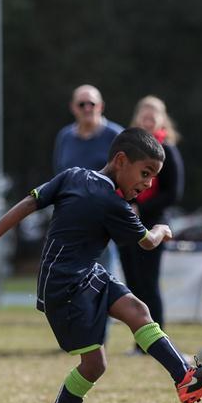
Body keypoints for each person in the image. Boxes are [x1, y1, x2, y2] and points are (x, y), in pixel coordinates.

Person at [0, 128, 202, 403]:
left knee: (136, 309)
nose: (147, 185)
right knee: (94, 365)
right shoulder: (113, 205)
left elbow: (28, 203)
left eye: (153, 178)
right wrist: (162, 228)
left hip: (83, 274)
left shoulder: (73, 175)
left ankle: (185, 377)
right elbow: (147, 241)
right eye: (145, 174)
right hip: (64, 288)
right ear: (120, 161)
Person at [118, 96, 184, 354]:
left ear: (162, 119)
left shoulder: (169, 150)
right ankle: (141, 342)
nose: (148, 118)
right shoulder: (128, 149)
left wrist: (141, 208)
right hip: (127, 224)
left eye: (153, 114)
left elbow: (173, 193)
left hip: (153, 225)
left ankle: (158, 342)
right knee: (133, 285)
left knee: (149, 283)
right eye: (144, 113)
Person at [53, 85, 124, 293]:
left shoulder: (115, 135)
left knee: (105, 274)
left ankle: (103, 322)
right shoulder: (65, 137)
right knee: (74, 276)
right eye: (81, 104)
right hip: (72, 217)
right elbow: (59, 174)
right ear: (73, 107)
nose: (87, 108)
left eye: (91, 103)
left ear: (100, 106)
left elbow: (127, 176)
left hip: (105, 216)